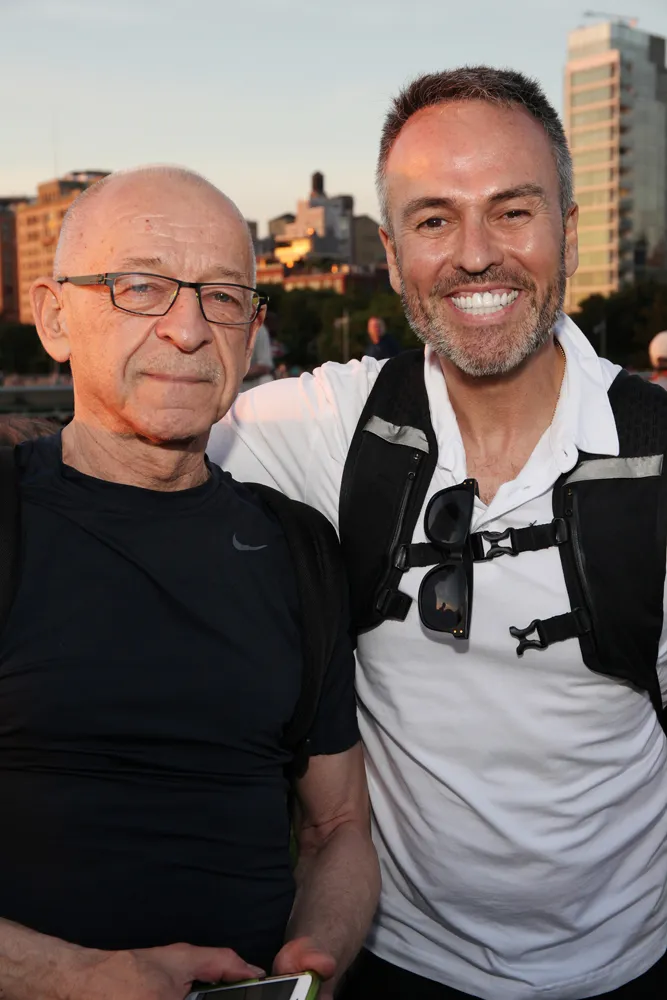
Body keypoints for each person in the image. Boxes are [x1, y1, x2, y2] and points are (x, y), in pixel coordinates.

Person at [209, 67, 667, 999]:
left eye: (511, 211)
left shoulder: (654, 456)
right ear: (389, 253)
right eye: (432, 220)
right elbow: (127, 443)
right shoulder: (328, 428)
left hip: (629, 967)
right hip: (395, 962)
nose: (473, 255)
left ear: (570, 230)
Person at [0, 165, 379, 1000]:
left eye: (223, 296)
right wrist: (79, 980)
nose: (187, 329)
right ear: (55, 317)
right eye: (141, 287)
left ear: (252, 331)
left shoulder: (296, 549)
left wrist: (318, 953)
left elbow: (338, 826)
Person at [240, 321, 274, 391]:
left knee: (267, 379)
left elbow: (264, 367)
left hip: (251, 384)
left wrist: (236, 375)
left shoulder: (259, 329)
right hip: (226, 383)